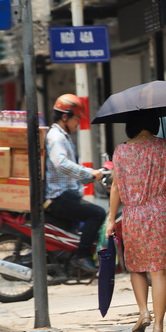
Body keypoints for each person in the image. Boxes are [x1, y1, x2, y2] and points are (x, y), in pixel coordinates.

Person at [105, 112, 166, 332]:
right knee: (159, 271)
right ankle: (158, 328)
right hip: (161, 212)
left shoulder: (121, 151)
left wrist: (112, 219)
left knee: (136, 267)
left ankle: (143, 312)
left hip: (134, 214)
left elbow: (116, 189)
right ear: (154, 124)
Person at [45, 93, 106, 273]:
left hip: (66, 193)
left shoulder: (63, 137)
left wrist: (96, 175)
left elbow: (69, 170)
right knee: (97, 213)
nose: (77, 123)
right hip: (58, 197)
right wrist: (89, 172)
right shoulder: (57, 137)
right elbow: (61, 164)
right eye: (76, 118)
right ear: (65, 116)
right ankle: (82, 256)